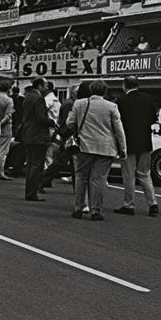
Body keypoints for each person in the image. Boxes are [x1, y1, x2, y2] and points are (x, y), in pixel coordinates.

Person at [65, 80, 127, 220]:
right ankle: (96, 210)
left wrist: (78, 131)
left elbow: (69, 123)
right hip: (106, 146)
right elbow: (119, 130)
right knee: (99, 179)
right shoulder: (111, 106)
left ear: (91, 90)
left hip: (84, 145)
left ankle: (79, 207)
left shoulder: (79, 104)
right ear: (105, 91)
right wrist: (123, 148)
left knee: (81, 177)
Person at [114, 76, 160, 216]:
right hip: (145, 140)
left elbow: (117, 122)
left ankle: (129, 204)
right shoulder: (148, 99)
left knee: (128, 174)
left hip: (128, 141)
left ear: (125, 85)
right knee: (145, 173)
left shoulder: (122, 101)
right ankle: (153, 203)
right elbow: (153, 118)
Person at [20, 77, 52, 202]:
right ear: (39, 85)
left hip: (28, 134)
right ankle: (32, 192)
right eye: (45, 85)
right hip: (38, 136)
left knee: (30, 164)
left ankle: (29, 191)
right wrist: (51, 121)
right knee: (37, 165)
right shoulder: (39, 99)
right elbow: (41, 118)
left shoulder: (28, 97)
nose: (46, 88)